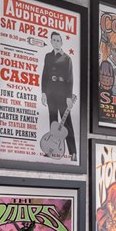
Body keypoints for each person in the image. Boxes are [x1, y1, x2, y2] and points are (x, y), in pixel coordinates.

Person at [40, 31, 78, 161]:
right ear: (51, 42)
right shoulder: (47, 56)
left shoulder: (67, 58)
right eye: (54, 40)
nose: (56, 42)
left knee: (66, 123)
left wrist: (68, 97)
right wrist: (43, 93)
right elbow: (44, 75)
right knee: (53, 122)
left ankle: (73, 153)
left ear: (61, 42)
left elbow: (70, 78)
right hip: (50, 91)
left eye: (58, 40)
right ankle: (51, 149)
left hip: (62, 93)